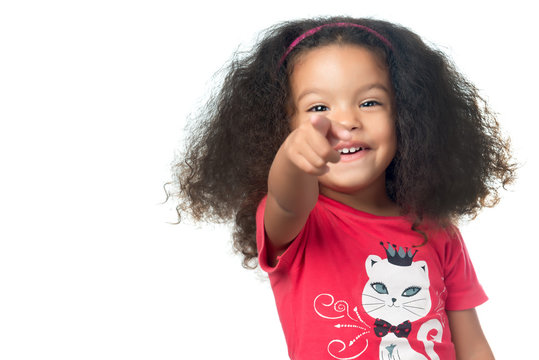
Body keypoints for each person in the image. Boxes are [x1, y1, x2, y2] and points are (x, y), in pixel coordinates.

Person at [169, 16, 516, 360]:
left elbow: (472, 346)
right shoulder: (298, 225)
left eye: (369, 102)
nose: (347, 121)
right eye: (318, 108)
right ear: (281, 127)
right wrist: (292, 157)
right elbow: (288, 200)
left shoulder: (438, 231)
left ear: (406, 116)